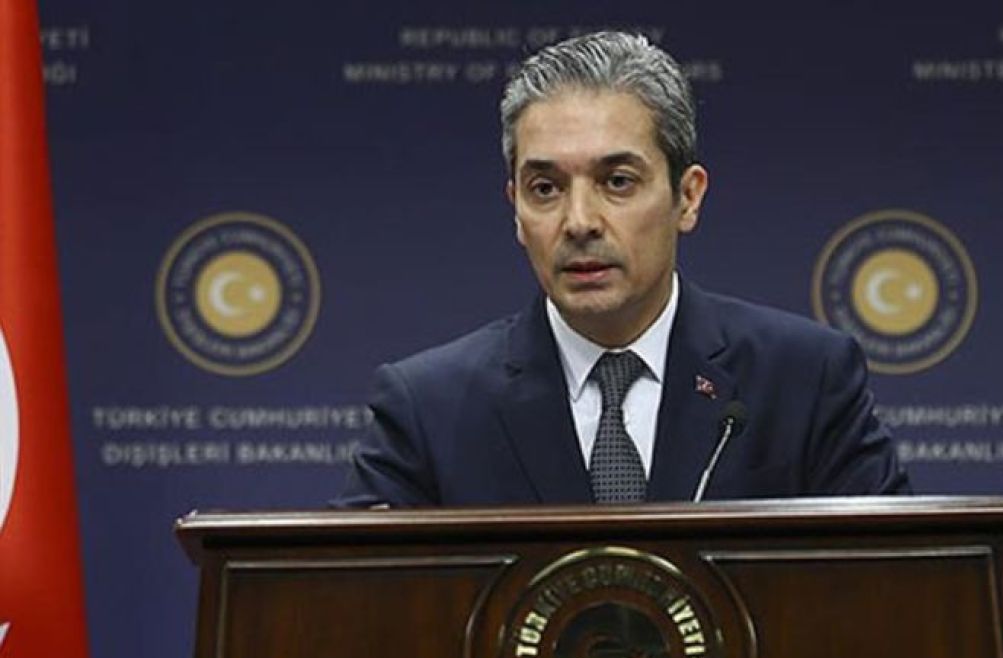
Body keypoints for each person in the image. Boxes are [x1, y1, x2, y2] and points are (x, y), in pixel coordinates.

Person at [334, 31, 909, 507]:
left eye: (617, 182)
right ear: (515, 209)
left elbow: (897, 586)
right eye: (545, 188)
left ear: (688, 197)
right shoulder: (429, 407)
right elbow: (349, 595)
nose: (579, 221)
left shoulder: (804, 380)